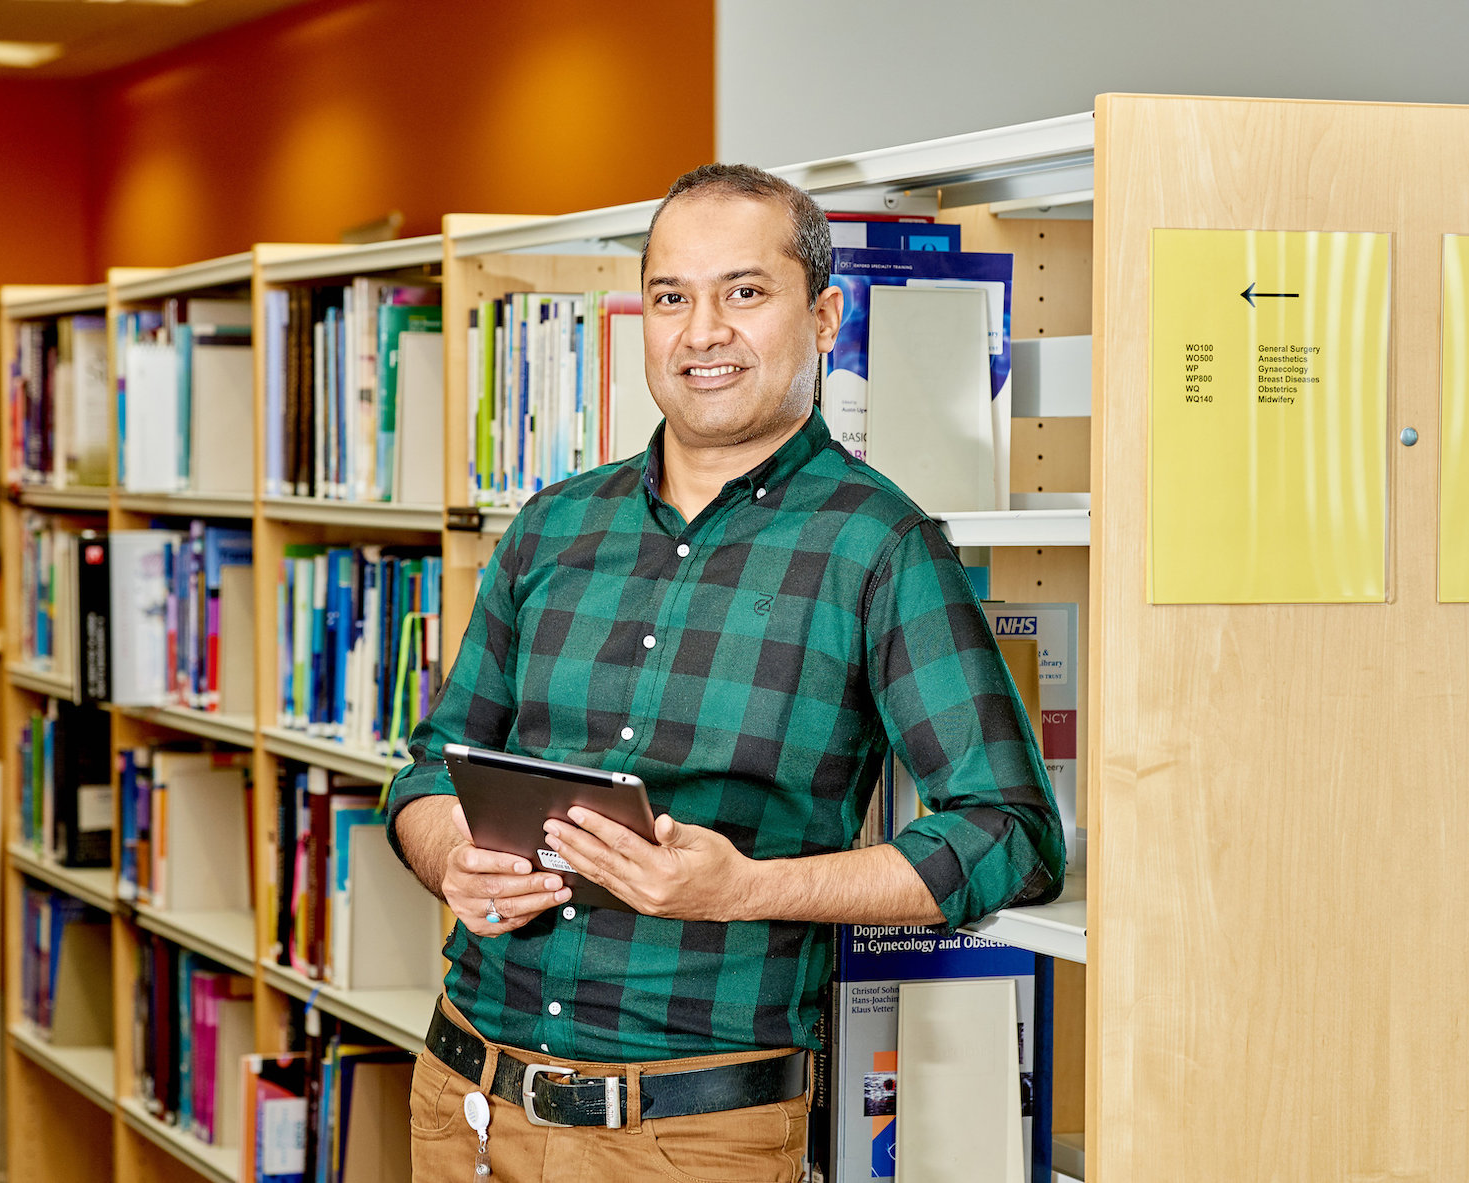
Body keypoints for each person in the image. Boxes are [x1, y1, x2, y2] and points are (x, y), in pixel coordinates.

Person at [386, 162, 1065, 1181]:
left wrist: (743, 889)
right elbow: (429, 767)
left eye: (743, 292)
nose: (700, 331)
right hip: (463, 1097)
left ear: (824, 316)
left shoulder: (878, 547)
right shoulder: (553, 526)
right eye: (671, 296)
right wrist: (450, 853)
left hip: (688, 1133)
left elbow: (1008, 832)